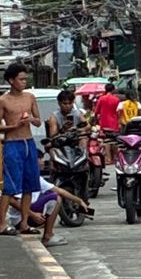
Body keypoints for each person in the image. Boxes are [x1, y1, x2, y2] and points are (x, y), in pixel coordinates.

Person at [0, 60, 42, 235]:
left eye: (25, 79)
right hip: (12, 144)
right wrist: (14, 126)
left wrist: (31, 120)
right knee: (9, 187)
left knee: (29, 185)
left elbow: (39, 122)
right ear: (11, 80)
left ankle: (24, 223)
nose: (24, 82)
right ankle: (1, 223)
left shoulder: (30, 97)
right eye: (21, 79)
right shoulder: (3, 100)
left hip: (28, 143)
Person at [5, 174, 91, 247]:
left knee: (51, 194)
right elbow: (12, 201)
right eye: (39, 159)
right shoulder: (17, 177)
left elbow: (59, 190)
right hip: (19, 219)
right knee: (55, 197)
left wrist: (78, 200)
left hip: (27, 217)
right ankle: (48, 235)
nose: (42, 162)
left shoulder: (36, 178)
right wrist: (33, 214)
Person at [93, 80, 121, 162]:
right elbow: (119, 112)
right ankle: (116, 157)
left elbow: (96, 111)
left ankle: (108, 158)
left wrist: (95, 118)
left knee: (106, 141)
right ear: (113, 90)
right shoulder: (116, 99)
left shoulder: (101, 99)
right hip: (114, 123)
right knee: (114, 141)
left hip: (104, 122)